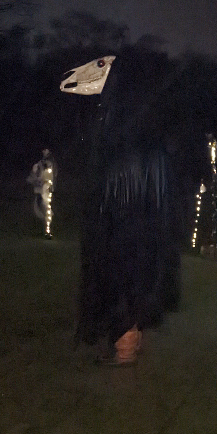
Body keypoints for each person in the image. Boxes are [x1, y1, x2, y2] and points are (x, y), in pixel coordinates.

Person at [60, 53, 181, 365]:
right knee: (136, 282)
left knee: (122, 283)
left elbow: (114, 193)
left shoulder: (124, 140)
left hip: (124, 230)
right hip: (144, 230)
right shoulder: (151, 138)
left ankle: (125, 349)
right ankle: (132, 339)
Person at [27, 148, 57, 237]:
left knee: (46, 209)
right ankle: (44, 229)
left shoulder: (50, 163)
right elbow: (34, 176)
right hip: (41, 190)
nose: (44, 152)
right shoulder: (40, 163)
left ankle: (47, 231)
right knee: (39, 209)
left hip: (46, 190)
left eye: (46, 150)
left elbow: (52, 176)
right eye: (43, 150)